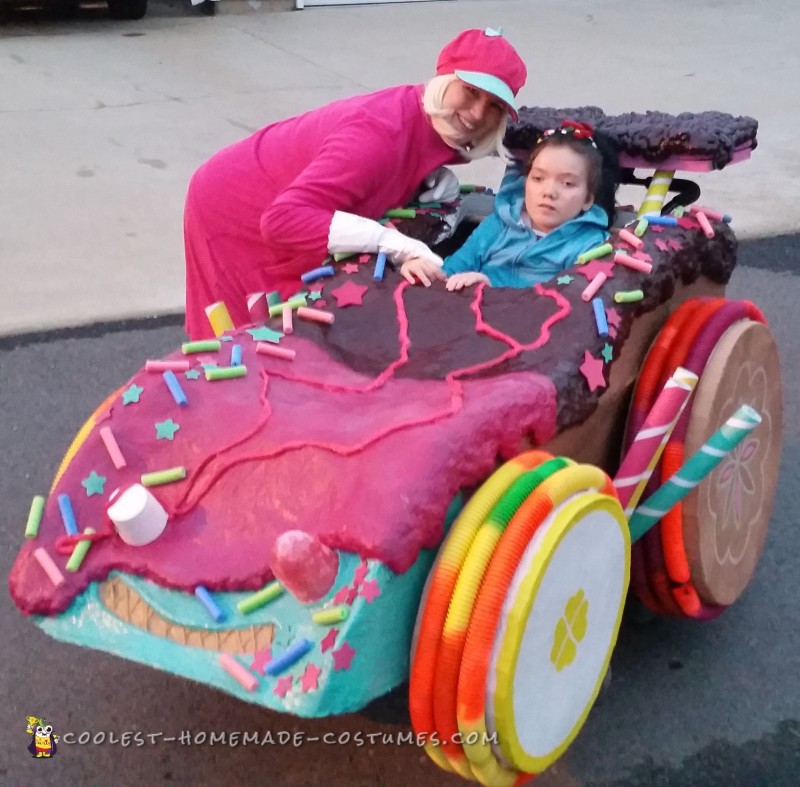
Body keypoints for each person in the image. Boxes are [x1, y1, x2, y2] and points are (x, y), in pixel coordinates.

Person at [183, 28, 527, 339]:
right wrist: (393, 243)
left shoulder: (434, 126)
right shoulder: (379, 133)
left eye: (494, 106)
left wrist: (423, 176)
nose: (479, 114)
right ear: (443, 79)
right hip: (234, 206)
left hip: (281, 197)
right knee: (243, 333)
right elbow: (282, 219)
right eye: (469, 91)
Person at [401, 120, 613, 291]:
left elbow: (572, 301)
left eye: (567, 183)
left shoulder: (590, 244)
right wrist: (426, 271)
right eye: (538, 178)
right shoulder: (499, 224)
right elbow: (455, 267)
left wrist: (493, 289)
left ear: (588, 199)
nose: (549, 192)